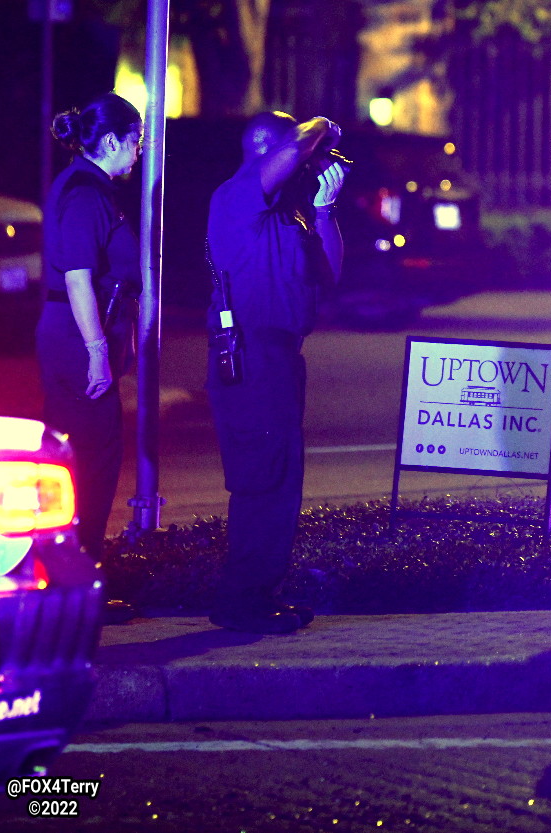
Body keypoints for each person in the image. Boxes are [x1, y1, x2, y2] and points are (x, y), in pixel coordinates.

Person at [205, 111, 346, 634]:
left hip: (283, 358)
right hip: (250, 356)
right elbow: (293, 149)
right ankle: (240, 601)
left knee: (281, 481)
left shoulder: (291, 211)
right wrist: (321, 129)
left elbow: (330, 272)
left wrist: (325, 210)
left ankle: (258, 594)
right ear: (270, 150)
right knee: (260, 481)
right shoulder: (237, 195)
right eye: (294, 150)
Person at [37, 92, 143, 622]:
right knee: (93, 464)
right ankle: (77, 592)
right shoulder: (85, 193)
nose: (138, 151)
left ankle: (71, 588)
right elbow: (78, 276)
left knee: (83, 462)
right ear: (109, 141)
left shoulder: (90, 186)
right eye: (134, 141)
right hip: (76, 341)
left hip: (73, 337)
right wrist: (98, 352)